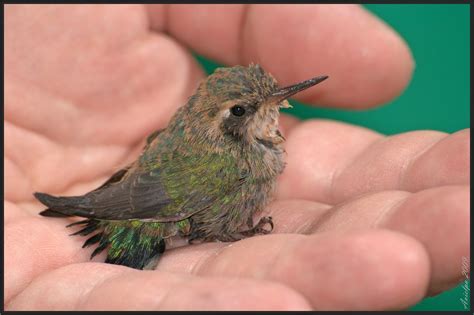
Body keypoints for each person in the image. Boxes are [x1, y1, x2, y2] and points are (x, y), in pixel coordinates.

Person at [4, 4, 469, 310]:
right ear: (227, 125)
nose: (280, 101)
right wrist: (89, 204)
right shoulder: (226, 164)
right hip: (145, 219)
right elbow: (159, 200)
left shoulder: (220, 148)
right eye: (243, 110)